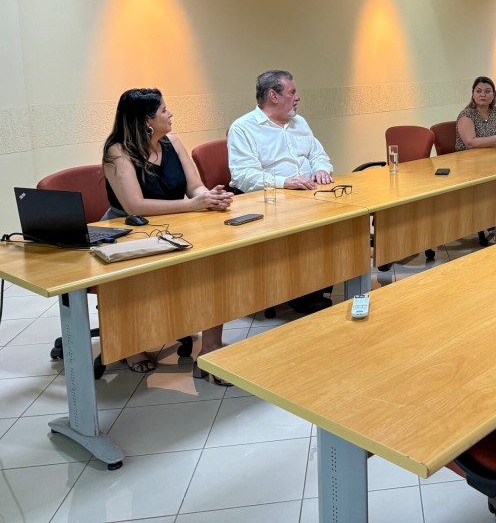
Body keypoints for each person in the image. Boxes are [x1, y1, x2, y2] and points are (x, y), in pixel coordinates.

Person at [102, 88, 234, 379]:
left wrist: (209, 197)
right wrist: (192, 205)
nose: (170, 114)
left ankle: (210, 348)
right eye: (164, 110)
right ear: (146, 120)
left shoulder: (173, 143)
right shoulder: (117, 151)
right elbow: (135, 205)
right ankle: (130, 344)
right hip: (129, 230)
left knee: (215, 263)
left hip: (175, 224)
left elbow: (194, 187)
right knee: (143, 280)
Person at [228, 70, 334, 314]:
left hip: (309, 195)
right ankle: (299, 292)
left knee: (336, 225)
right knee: (304, 233)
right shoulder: (243, 128)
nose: (297, 98)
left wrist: (321, 169)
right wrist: (285, 182)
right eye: (292, 92)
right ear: (273, 96)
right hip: (270, 202)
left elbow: (318, 154)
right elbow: (244, 176)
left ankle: (317, 285)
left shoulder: (300, 122)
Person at [456, 76, 496, 150]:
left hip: (493, 154)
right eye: (478, 91)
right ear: (473, 94)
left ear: (494, 94)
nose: (483, 95)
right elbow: (470, 143)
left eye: (487, 91)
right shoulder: (466, 115)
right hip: (469, 156)